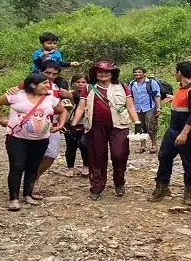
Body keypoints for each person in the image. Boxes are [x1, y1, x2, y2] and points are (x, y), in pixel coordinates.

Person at [0, 72, 67, 211]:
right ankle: (13, 198)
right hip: (17, 138)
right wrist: (0, 120)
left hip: (41, 139)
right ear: (33, 85)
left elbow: (62, 111)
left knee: (33, 166)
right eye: (44, 83)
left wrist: (60, 125)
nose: (47, 85)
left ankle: (27, 195)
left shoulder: (50, 99)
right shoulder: (16, 96)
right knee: (17, 166)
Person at [71, 60, 140, 200]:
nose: (103, 74)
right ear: (95, 74)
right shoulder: (88, 88)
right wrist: (74, 124)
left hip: (119, 126)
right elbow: (80, 107)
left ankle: (119, 182)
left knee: (119, 154)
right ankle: (96, 187)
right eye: (100, 72)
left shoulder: (123, 87)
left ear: (112, 73)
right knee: (97, 157)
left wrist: (137, 121)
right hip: (95, 127)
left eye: (106, 72)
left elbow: (130, 106)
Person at [5, 60, 73, 196]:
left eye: (54, 73)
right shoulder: (29, 84)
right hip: (28, 127)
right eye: (47, 73)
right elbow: (14, 95)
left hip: (51, 127)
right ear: (40, 71)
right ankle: (23, 188)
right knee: (22, 161)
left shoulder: (60, 85)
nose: (50, 76)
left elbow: (66, 106)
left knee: (51, 155)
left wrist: (70, 97)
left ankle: (34, 178)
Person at [149, 61, 191, 206]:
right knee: (164, 156)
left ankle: (190, 191)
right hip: (173, 130)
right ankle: (162, 186)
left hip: (188, 133)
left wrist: (184, 134)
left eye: (175, 72)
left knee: (188, 161)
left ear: (180, 73)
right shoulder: (182, 89)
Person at [129, 67, 161, 154]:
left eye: (139, 72)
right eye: (135, 72)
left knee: (151, 126)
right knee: (140, 127)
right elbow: (130, 96)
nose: (137, 74)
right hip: (137, 109)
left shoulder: (151, 83)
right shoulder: (132, 84)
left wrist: (158, 107)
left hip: (150, 108)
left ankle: (154, 145)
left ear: (144, 73)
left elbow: (157, 95)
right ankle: (143, 146)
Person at [64, 74, 90, 178]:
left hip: (85, 123)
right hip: (70, 123)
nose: (80, 84)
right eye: (78, 82)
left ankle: (86, 165)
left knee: (84, 145)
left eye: (83, 82)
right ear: (73, 83)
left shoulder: (91, 94)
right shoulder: (68, 94)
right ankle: (70, 167)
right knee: (71, 146)